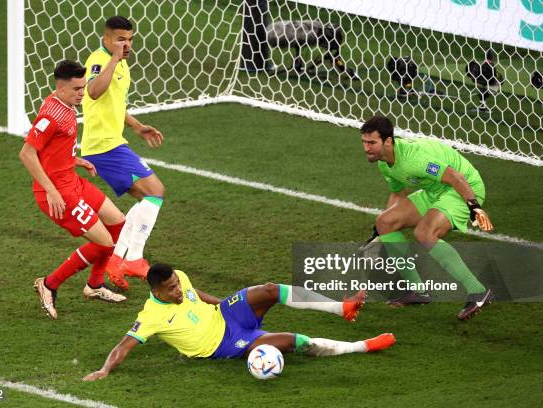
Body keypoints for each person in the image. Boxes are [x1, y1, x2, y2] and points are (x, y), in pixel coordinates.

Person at [83, 263, 395, 381]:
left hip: (227, 315)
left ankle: (342, 308)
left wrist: (228, 304)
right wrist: (104, 369)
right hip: (225, 344)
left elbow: (196, 293)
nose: (178, 290)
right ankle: (361, 347)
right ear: (155, 292)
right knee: (289, 341)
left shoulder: (181, 279)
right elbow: (123, 347)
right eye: (171, 289)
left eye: (178, 283)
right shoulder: (150, 316)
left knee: (270, 289)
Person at [19, 60, 128, 320]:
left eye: (83, 87)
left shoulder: (66, 104)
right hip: (59, 193)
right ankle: (49, 284)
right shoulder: (50, 115)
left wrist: (73, 159)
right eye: (77, 88)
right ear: (61, 87)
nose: (82, 93)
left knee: (118, 222)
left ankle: (94, 285)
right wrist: (51, 191)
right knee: (104, 243)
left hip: (71, 179)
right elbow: (27, 153)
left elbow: (53, 146)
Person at [360, 115, 494, 320]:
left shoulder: (414, 159)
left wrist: (474, 207)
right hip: (433, 191)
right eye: (364, 142)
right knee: (384, 222)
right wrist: (381, 233)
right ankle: (417, 291)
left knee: (424, 232)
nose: (366, 148)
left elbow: (455, 177)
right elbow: (397, 194)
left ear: (388, 141)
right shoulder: (384, 163)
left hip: (462, 188)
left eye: (372, 143)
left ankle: (477, 290)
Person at [81, 16, 164, 289]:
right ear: (106, 39)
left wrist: (138, 126)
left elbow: (113, 102)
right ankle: (134, 258)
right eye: (120, 40)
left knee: (146, 201)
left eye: (129, 40)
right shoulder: (99, 60)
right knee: (155, 191)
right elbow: (93, 92)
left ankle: (118, 259)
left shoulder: (121, 64)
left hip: (111, 143)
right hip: (105, 147)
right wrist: (113, 60)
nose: (126, 45)